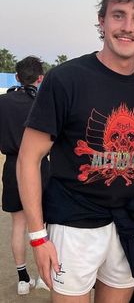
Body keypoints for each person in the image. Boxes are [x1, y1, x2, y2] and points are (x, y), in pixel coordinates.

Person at [16, 0, 134, 303]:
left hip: (129, 223)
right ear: (102, 21)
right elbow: (29, 158)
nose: (127, 27)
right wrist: (38, 237)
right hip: (73, 225)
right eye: (118, 15)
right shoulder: (66, 79)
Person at [0, 56, 49, 295]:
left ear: (17, 77)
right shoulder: (43, 102)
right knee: (45, 223)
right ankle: (42, 276)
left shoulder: (3, 101)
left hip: (12, 166)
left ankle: (22, 279)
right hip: (41, 166)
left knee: (18, 225)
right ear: (40, 79)